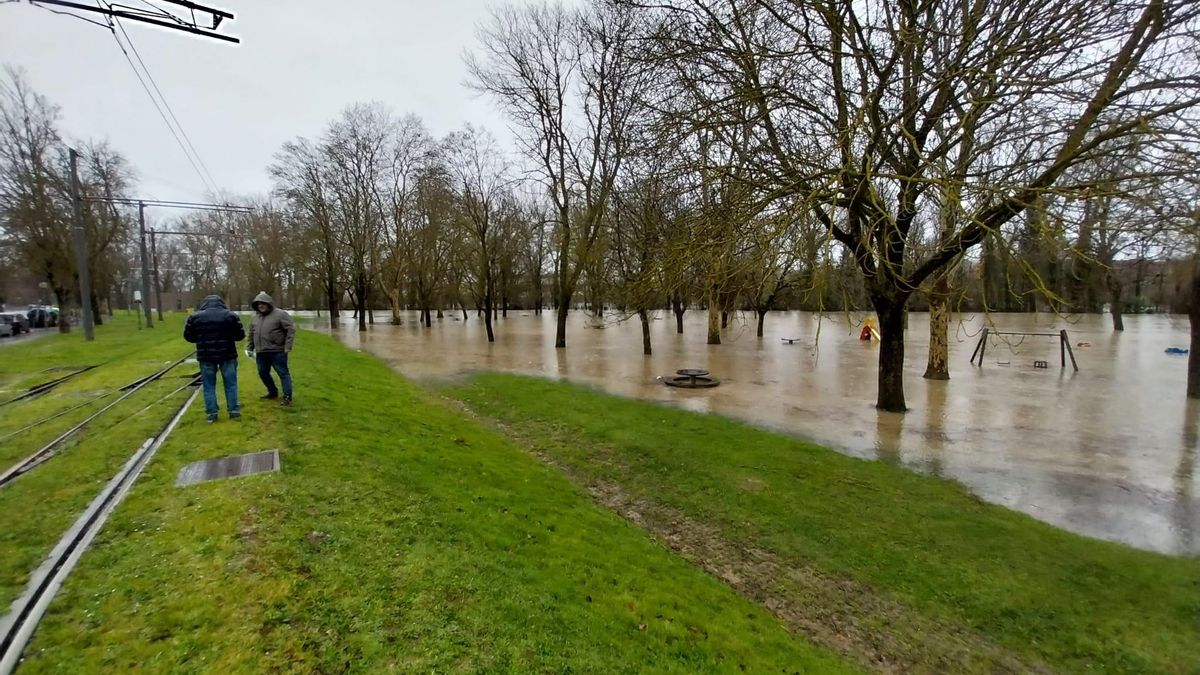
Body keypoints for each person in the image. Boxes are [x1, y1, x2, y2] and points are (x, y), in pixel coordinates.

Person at [183, 295, 246, 422]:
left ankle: (211, 414)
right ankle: (233, 410)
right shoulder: (230, 316)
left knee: (209, 385)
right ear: (221, 303)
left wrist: (201, 339)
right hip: (227, 354)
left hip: (206, 355)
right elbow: (240, 335)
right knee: (231, 384)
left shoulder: (195, 317)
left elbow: (188, 336)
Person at [248, 291, 296, 406]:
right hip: (261, 352)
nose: (261, 306)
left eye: (263, 303)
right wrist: (250, 347)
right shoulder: (255, 318)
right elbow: (251, 333)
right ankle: (272, 392)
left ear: (269, 303)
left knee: (283, 373)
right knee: (263, 373)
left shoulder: (280, 314)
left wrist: (287, 346)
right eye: (258, 304)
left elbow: (291, 329)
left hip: (277, 351)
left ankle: (287, 397)